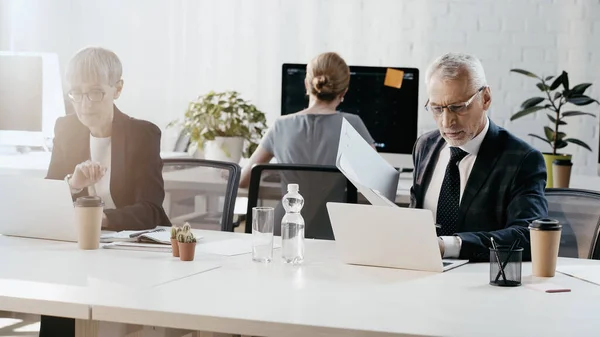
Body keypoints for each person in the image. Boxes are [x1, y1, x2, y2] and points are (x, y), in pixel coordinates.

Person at [41, 46, 170, 336]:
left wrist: (98, 218)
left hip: (131, 258)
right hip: (79, 254)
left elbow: (151, 210)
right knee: (59, 298)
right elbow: (46, 204)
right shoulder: (66, 128)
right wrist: (73, 184)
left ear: (117, 88)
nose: (85, 103)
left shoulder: (142, 134)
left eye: (96, 92)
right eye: (77, 93)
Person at [410, 52, 548, 262]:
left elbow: (528, 236)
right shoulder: (425, 146)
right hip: (421, 273)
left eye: (458, 107)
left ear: (485, 98)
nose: (447, 122)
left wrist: (448, 246)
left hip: (481, 283)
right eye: (437, 109)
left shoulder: (522, 159)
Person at [239, 52, 375, 188]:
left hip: (288, 210)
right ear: (344, 92)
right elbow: (379, 184)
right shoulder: (353, 125)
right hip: (331, 210)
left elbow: (244, 181)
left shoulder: (280, 125)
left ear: (306, 85)